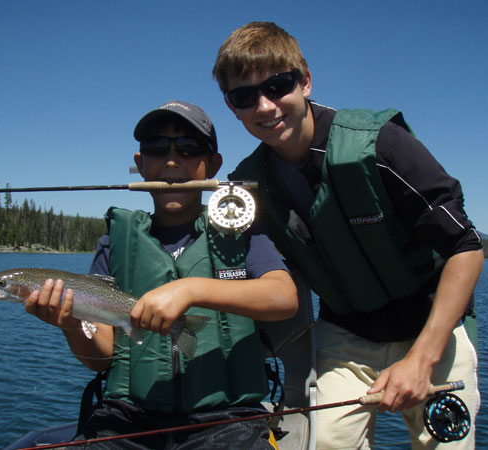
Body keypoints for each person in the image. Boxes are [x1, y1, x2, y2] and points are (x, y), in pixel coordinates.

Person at [212, 21, 483, 449]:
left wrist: (422, 358)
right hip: (344, 337)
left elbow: (465, 246)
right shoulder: (247, 186)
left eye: (277, 86)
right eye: (244, 97)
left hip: (432, 328)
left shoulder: (380, 146)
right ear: (232, 108)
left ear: (305, 81)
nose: (264, 107)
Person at [24, 99, 299, 449]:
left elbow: (284, 297)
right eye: (156, 149)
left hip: (228, 419)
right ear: (140, 164)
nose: (171, 160)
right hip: (126, 419)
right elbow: (101, 356)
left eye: (188, 149)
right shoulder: (114, 244)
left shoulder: (239, 232)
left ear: (212, 164)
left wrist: (191, 289)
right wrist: (71, 324)